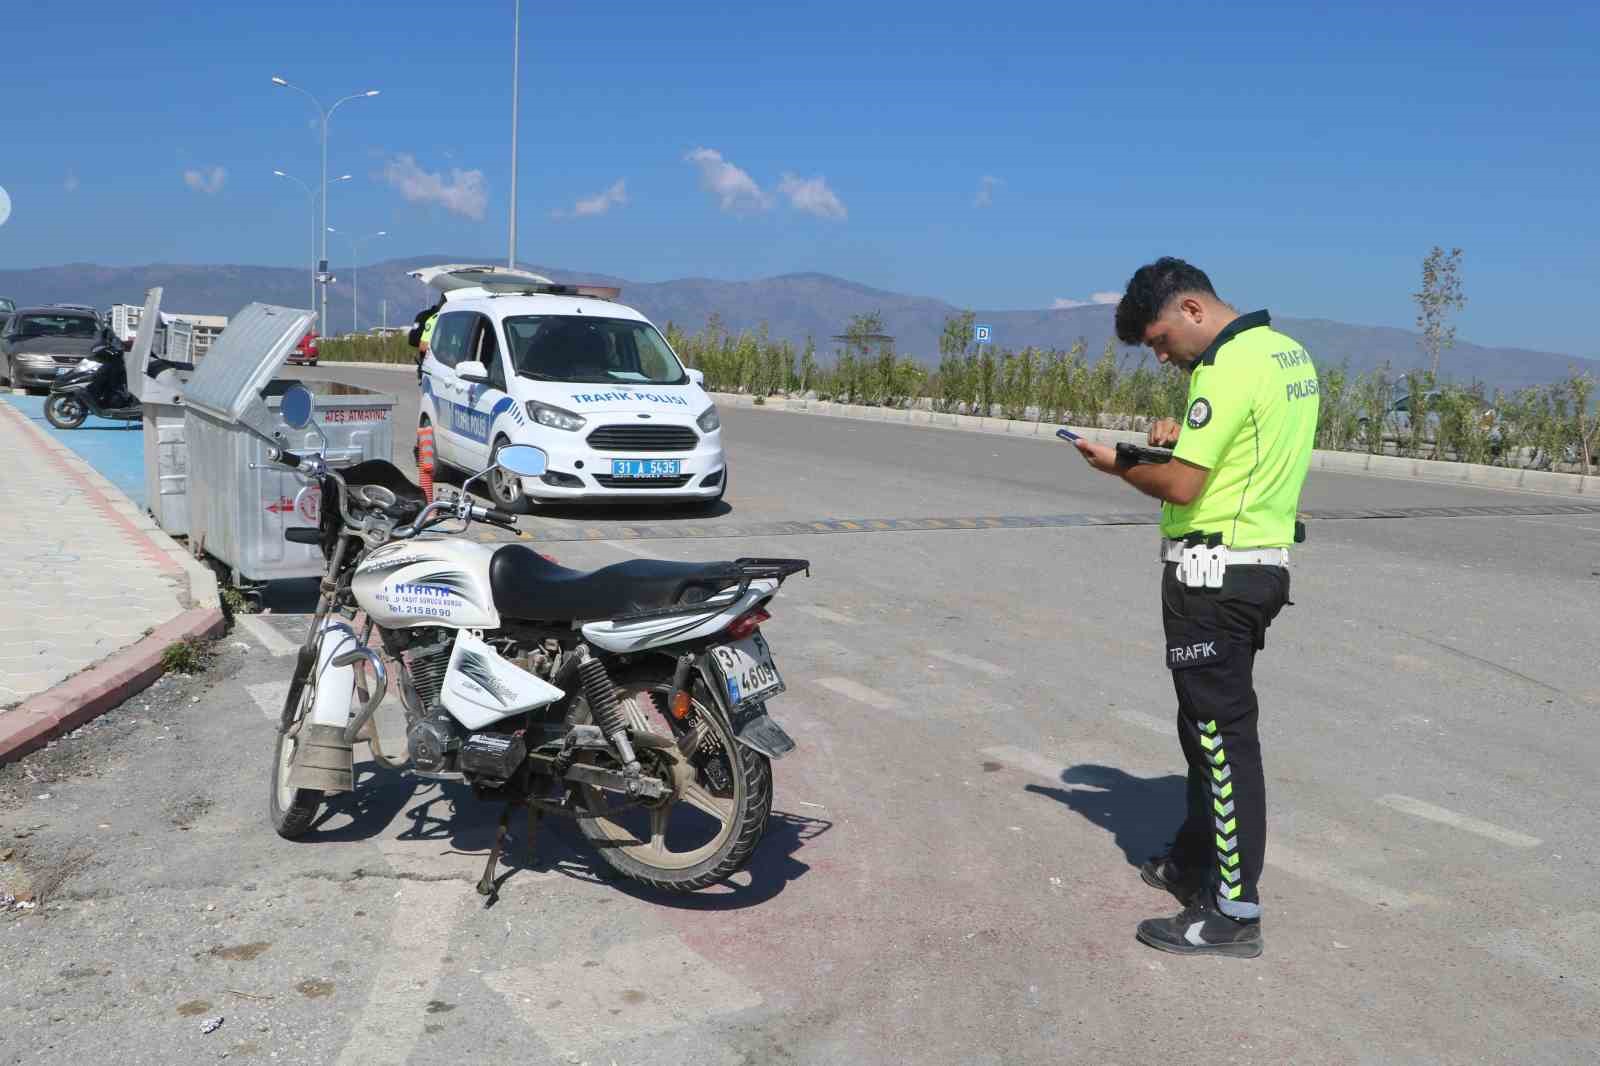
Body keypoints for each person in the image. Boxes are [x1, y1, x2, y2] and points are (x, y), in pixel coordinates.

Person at [1072, 257, 1318, 959]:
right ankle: (1191, 859)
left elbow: (1182, 488)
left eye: (1157, 340)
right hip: (1257, 563)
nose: (1160, 355)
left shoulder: (1226, 366)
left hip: (1216, 575)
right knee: (1202, 731)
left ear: (1190, 310)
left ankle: (1234, 913)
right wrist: (1184, 439)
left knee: (1221, 738)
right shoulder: (1285, 353)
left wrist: (1118, 463)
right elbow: (1252, 454)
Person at [409, 298, 443, 382]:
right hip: (436, 367)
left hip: (428, 366)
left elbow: (414, 340)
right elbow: (423, 346)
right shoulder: (434, 318)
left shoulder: (424, 315)